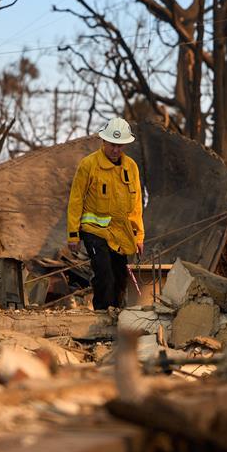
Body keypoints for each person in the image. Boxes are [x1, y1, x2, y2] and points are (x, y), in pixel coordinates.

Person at [67, 117, 145, 310]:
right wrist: (73, 235)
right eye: (112, 145)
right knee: (105, 276)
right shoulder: (88, 165)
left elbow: (136, 204)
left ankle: (115, 315)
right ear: (104, 141)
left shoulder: (131, 167)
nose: (116, 150)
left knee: (120, 277)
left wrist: (138, 236)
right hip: (94, 232)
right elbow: (76, 200)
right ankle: (102, 315)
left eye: (120, 145)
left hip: (120, 233)